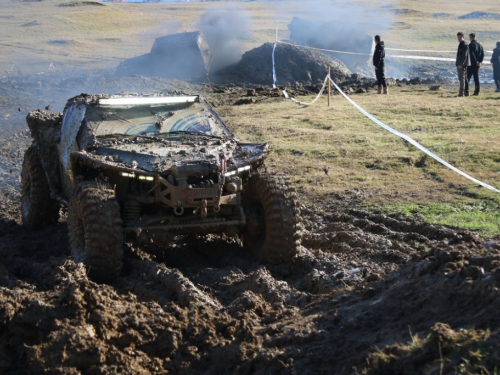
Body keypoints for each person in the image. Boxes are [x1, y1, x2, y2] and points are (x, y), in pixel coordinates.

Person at [455, 32, 470, 97]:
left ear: (463, 37)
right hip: (460, 64)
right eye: (458, 37)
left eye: (460, 37)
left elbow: (464, 55)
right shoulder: (461, 44)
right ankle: (466, 92)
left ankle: (461, 93)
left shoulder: (464, 44)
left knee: (462, 78)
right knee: (463, 78)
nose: (459, 38)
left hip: (462, 64)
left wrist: (461, 64)